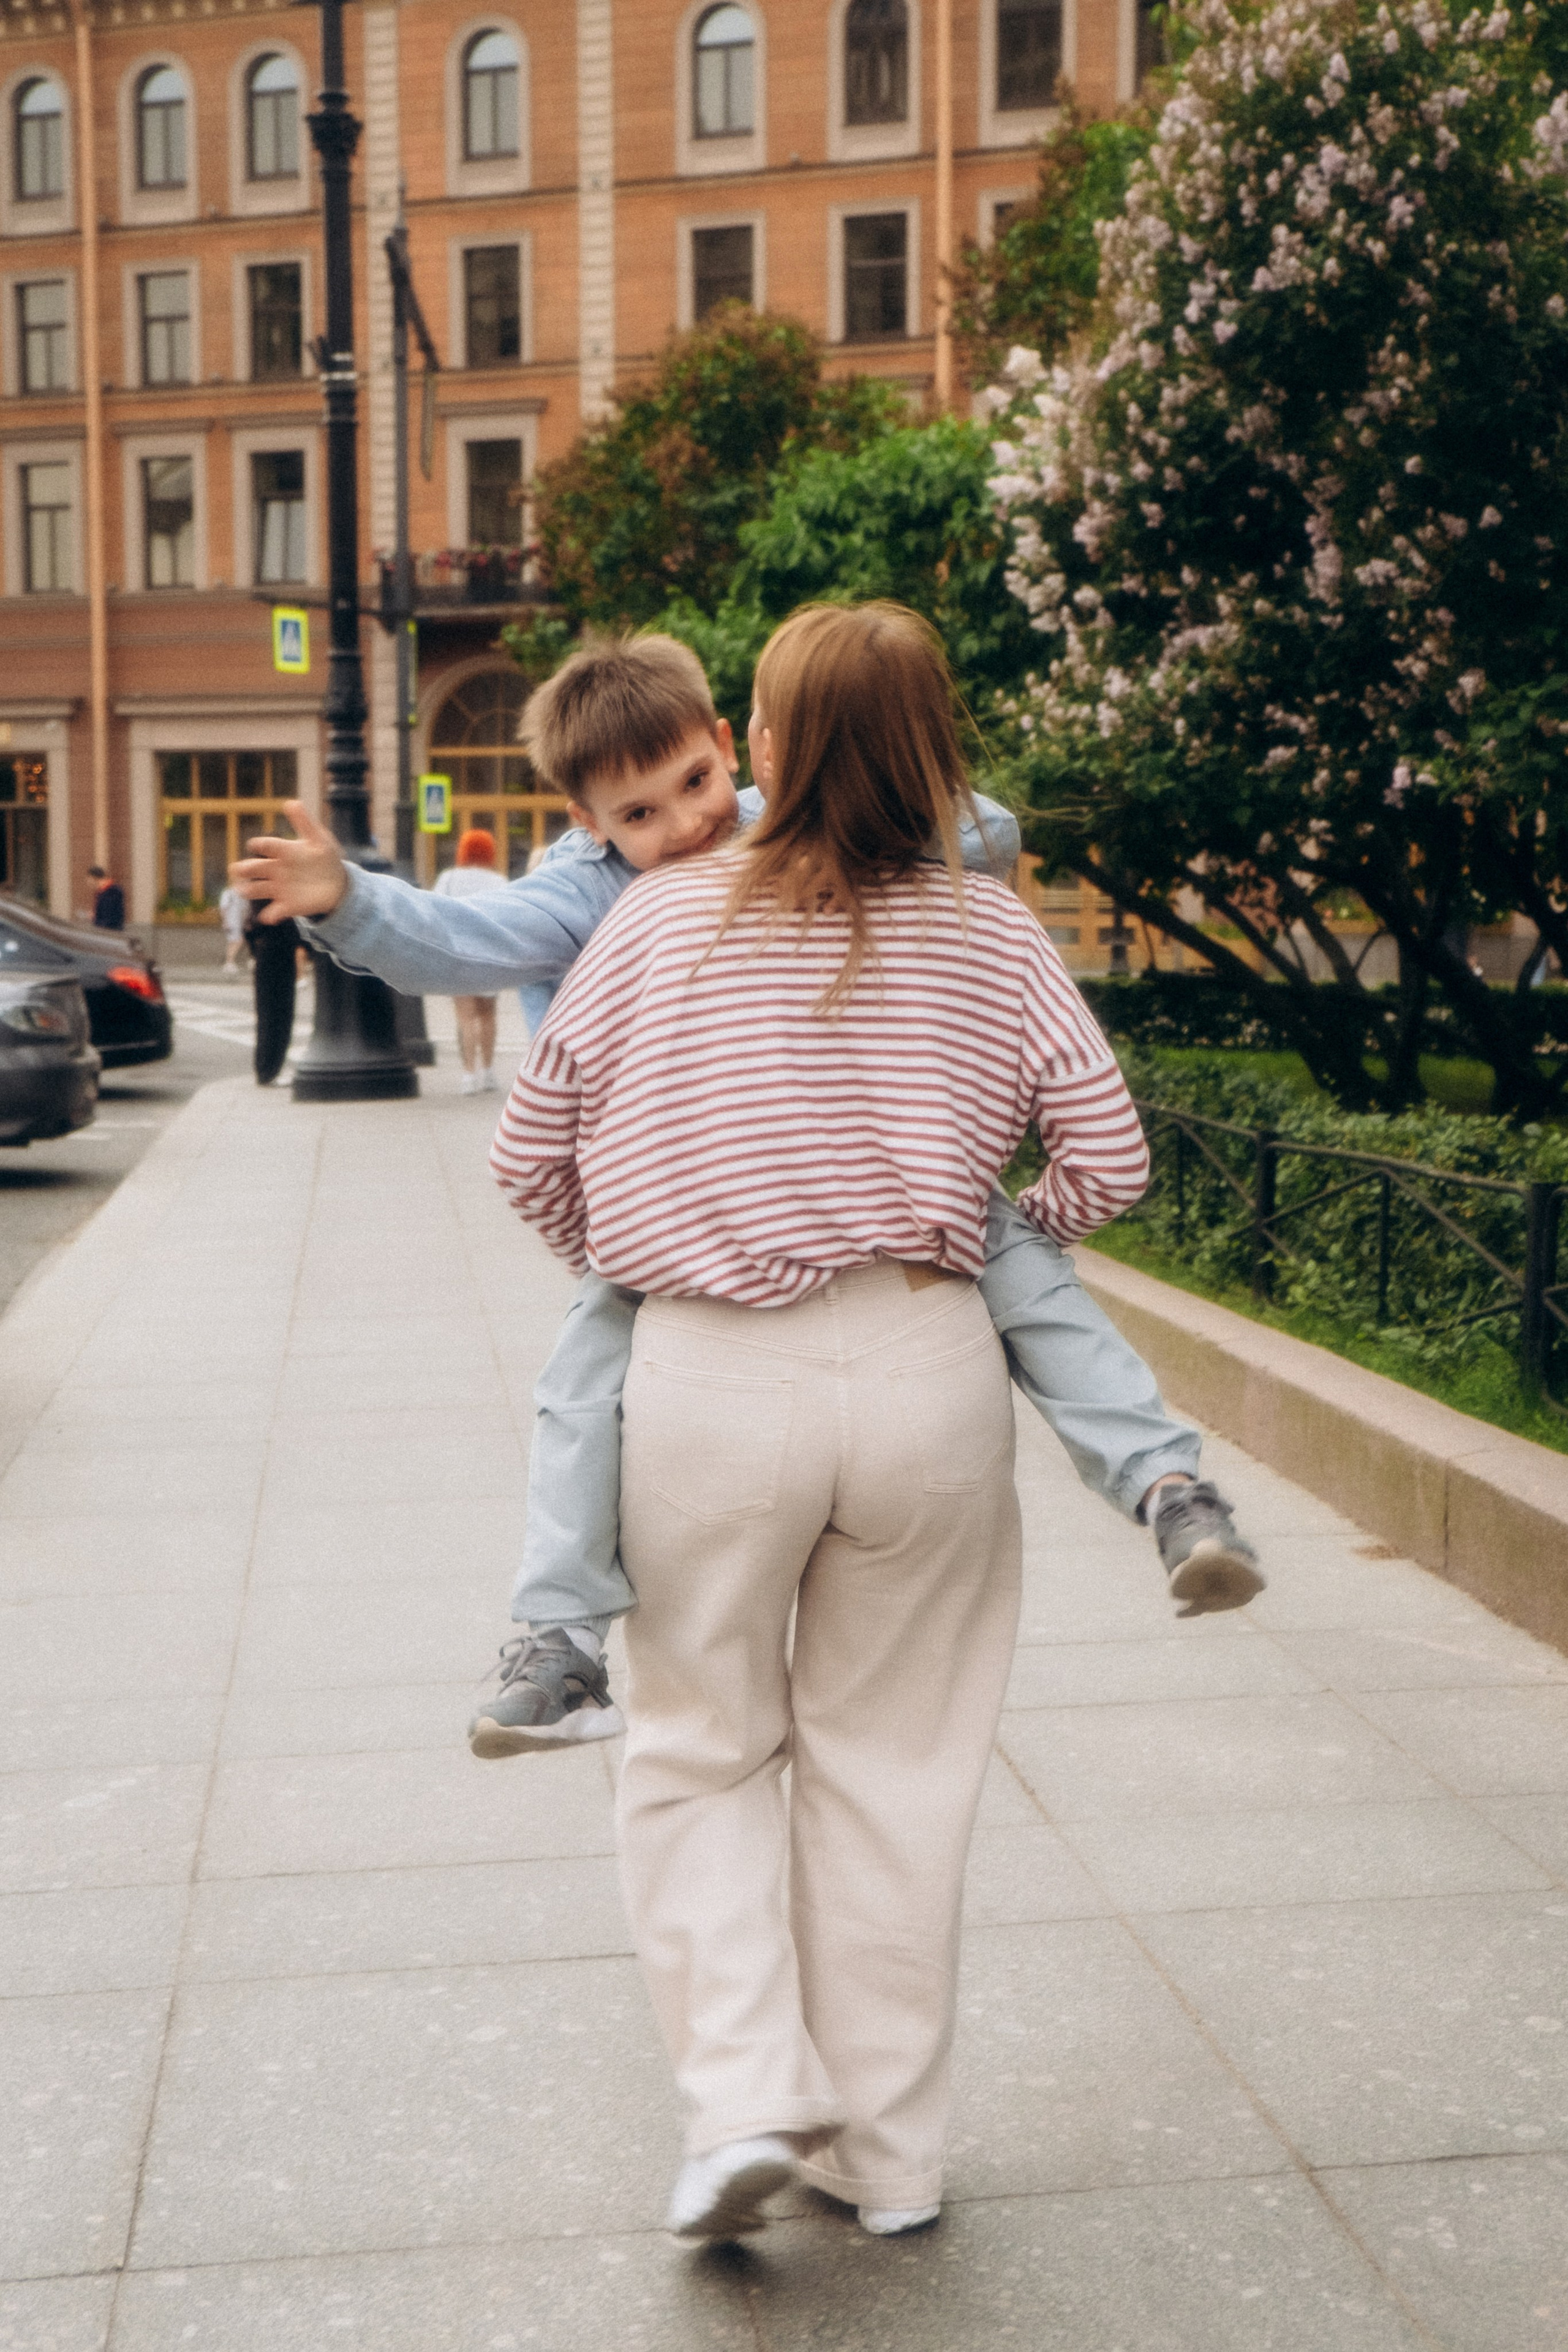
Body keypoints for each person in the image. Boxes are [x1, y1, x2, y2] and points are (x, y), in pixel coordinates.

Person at [486, 600, 1189, 2242]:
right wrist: (980, 1220)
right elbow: (1110, 1164)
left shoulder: (652, 928)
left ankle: (743, 2102)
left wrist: (650, 1245)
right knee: (897, 1768)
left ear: (762, 743)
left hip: (709, 1382)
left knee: (696, 1751)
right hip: (932, 1371)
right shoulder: (991, 929)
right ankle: (887, 2160)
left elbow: (530, 1159)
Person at [234, 634, 1261, 1759]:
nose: (684, 828)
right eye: (637, 815)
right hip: (852, 1251)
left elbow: (982, 828)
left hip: (735, 1289)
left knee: (695, 1730)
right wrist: (351, 906)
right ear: (586, 822)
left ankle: (1170, 1492)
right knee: (590, 1391)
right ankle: (560, 1631)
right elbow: (469, 943)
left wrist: (843, 807)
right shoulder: (595, 895)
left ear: (732, 746)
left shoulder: (783, 818)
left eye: (696, 783)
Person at [433, 829, 507, 1093]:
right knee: (488, 1014)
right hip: (489, 954)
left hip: (459, 953)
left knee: (466, 1017)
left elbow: (435, 911)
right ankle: (488, 1072)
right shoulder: (498, 880)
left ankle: (468, 1075)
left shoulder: (449, 878)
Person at [244, 896, 302, 1085]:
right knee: (280, 1016)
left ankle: (266, 1070)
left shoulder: (257, 909)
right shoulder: (278, 909)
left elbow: (249, 931)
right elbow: (294, 932)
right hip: (280, 957)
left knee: (268, 1016)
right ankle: (269, 1071)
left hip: (266, 956)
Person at [219, 870, 250, 976]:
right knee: (236, 941)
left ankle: (238, 961)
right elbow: (224, 908)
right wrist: (225, 922)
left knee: (241, 940)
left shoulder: (243, 894)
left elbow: (245, 909)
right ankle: (229, 963)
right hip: (232, 921)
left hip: (240, 922)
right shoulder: (229, 893)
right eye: (242, 881)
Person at [88, 866, 124, 930]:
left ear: (94, 878)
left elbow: (109, 914)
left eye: (89, 879)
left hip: (112, 931)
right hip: (105, 930)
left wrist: (97, 918)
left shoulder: (113, 891)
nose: (88, 882)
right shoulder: (101, 892)